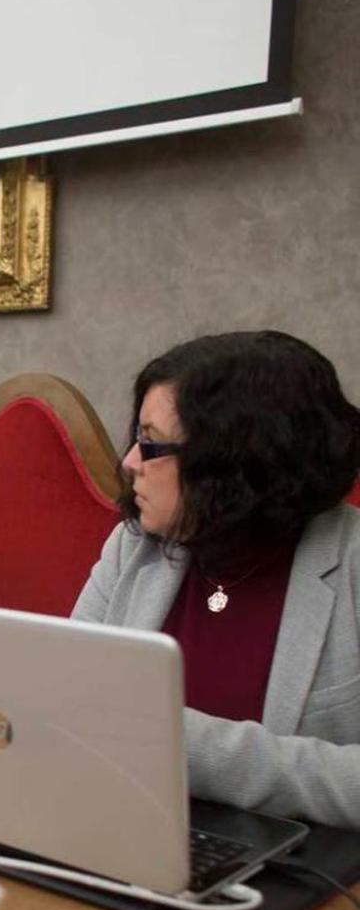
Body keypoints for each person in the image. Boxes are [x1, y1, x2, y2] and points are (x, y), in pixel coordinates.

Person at [73, 329, 360, 830]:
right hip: (120, 828)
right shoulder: (132, 546)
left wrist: (194, 749)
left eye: (150, 443)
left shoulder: (351, 561)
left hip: (296, 865)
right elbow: (67, 698)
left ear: (236, 462)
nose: (129, 462)